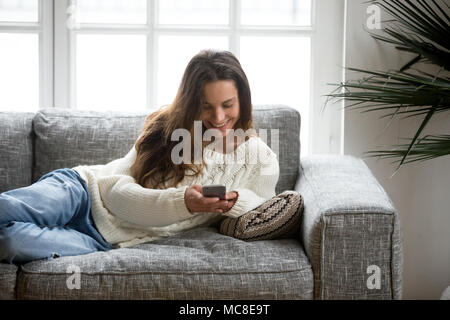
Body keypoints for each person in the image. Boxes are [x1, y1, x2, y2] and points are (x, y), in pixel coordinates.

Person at [0, 49, 280, 264]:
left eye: (227, 105)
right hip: (84, 191)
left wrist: (230, 202)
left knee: (9, 242)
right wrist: (184, 203)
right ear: (191, 103)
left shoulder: (259, 158)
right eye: (206, 106)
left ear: (243, 100)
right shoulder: (166, 129)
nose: (219, 118)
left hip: (103, 241)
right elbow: (116, 194)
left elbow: (264, 208)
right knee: (6, 209)